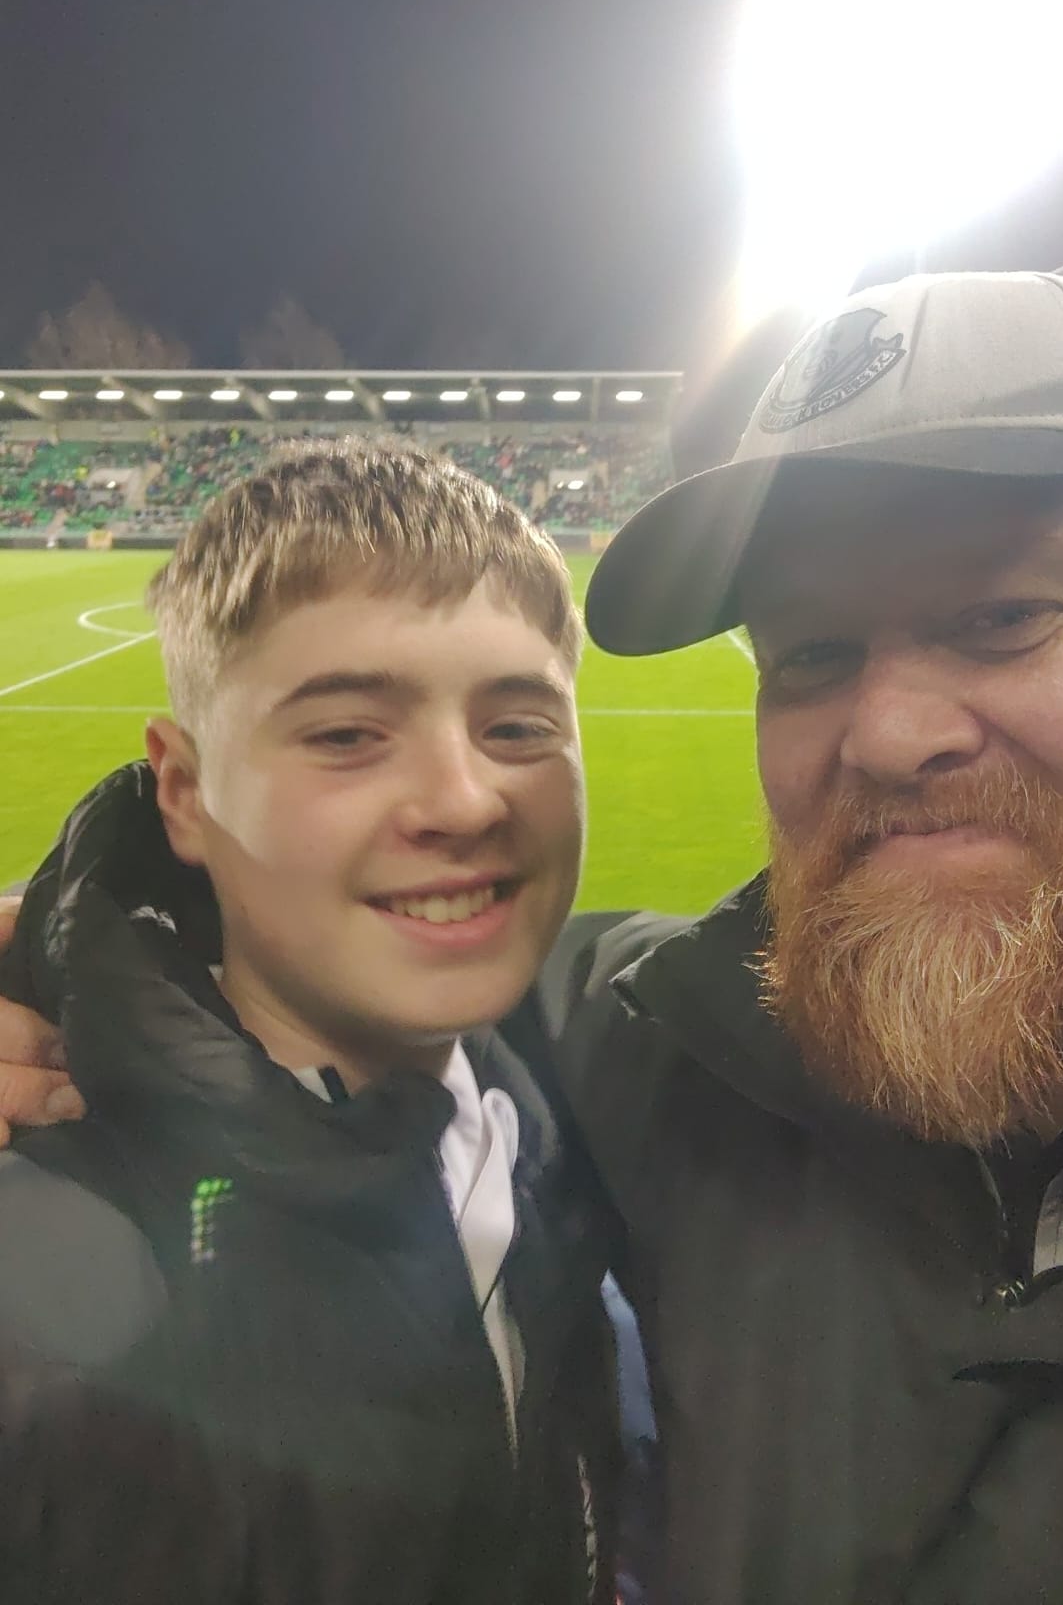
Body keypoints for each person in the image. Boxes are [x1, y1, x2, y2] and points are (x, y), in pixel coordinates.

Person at [16, 266, 1063, 1602]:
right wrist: (77, 968)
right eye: (810, 655)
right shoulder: (682, 1043)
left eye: (1009, 616)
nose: (892, 733)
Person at [0, 439, 617, 1604]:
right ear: (181, 789)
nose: (463, 798)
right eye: (345, 733)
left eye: (521, 725)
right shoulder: (52, 1260)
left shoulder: (574, 1105)